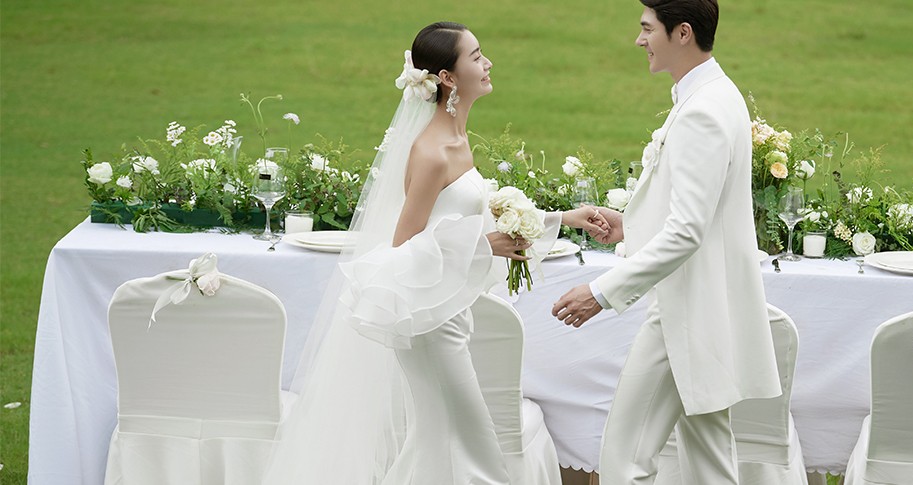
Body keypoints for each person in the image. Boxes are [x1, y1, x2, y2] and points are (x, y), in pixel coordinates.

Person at [263, 21, 607, 485]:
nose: (488, 63)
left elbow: (467, 219)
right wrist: (486, 247)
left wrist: (564, 218)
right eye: (476, 57)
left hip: (449, 312)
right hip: (431, 326)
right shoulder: (432, 152)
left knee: (433, 445)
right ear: (447, 77)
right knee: (476, 450)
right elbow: (403, 249)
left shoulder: (459, 140)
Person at [550, 1, 781, 483]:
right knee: (709, 461)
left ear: (683, 33)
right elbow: (702, 217)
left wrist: (600, 292)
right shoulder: (717, 93)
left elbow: (688, 230)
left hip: (685, 314)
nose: (639, 40)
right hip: (704, 309)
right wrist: (631, 226)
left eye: (647, 29)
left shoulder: (703, 111)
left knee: (624, 459)